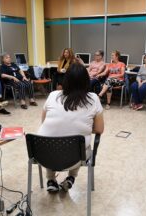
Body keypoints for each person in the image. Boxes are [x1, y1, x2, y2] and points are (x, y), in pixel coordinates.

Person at [37, 62, 104, 192]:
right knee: (78, 144)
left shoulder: (53, 95)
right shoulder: (93, 99)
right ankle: (71, 178)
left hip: (43, 155)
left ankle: (50, 179)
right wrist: (82, 126)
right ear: (86, 81)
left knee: (52, 138)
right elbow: (99, 129)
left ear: (65, 80)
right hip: (74, 157)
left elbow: (44, 122)